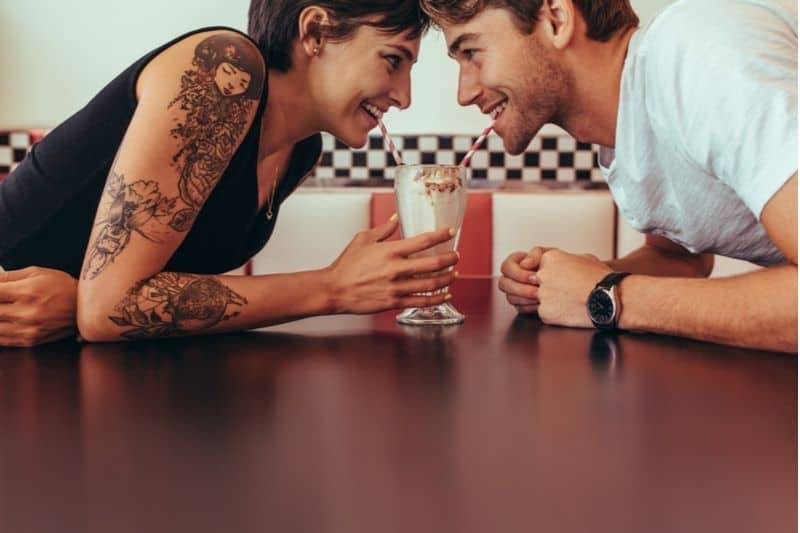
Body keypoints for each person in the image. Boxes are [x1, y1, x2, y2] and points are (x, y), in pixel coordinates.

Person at [0, 0, 461, 345]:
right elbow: (110, 308)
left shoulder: (302, 151)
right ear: (316, 31)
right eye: (393, 60)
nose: (403, 96)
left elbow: (115, 303)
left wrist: (84, 299)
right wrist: (334, 287)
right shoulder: (226, 68)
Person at [420, 0, 797, 352]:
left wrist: (606, 295)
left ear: (556, 18)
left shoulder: (696, 53)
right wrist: (569, 282)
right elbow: (680, 261)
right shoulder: (624, 132)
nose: (464, 93)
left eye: (471, 52)